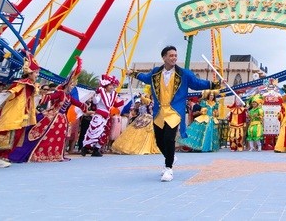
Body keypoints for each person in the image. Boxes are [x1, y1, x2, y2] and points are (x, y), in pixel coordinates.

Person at [133, 45, 214, 182]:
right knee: (159, 141)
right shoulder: (155, 73)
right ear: (164, 57)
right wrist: (134, 74)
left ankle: (168, 168)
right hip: (159, 111)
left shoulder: (184, 74)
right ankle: (170, 157)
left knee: (169, 138)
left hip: (175, 111)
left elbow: (197, 83)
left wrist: (214, 85)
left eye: (175, 55)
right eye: (171, 55)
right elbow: (145, 78)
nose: (174, 58)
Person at [9, 58, 86, 163]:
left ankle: (54, 154)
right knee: (42, 135)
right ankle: (38, 154)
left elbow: (78, 103)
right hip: (53, 117)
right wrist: (40, 98)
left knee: (58, 138)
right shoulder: (60, 93)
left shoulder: (69, 97)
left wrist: (84, 106)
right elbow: (50, 97)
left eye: (74, 85)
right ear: (67, 84)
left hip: (62, 119)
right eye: (72, 85)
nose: (73, 87)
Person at [81, 74, 124, 157]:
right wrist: (95, 95)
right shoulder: (101, 93)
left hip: (107, 117)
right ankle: (85, 148)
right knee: (94, 132)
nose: (112, 87)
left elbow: (115, 104)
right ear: (106, 85)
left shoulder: (112, 95)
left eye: (113, 86)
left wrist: (122, 102)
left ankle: (96, 149)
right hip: (99, 115)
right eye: (111, 85)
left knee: (104, 133)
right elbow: (95, 102)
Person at [112, 91, 160, 156]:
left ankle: (142, 147)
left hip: (148, 119)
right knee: (134, 132)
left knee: (145, 134)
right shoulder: (144, 103)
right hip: (142, 118)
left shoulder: (151, 102)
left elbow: (146, 101)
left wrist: (141, 96)